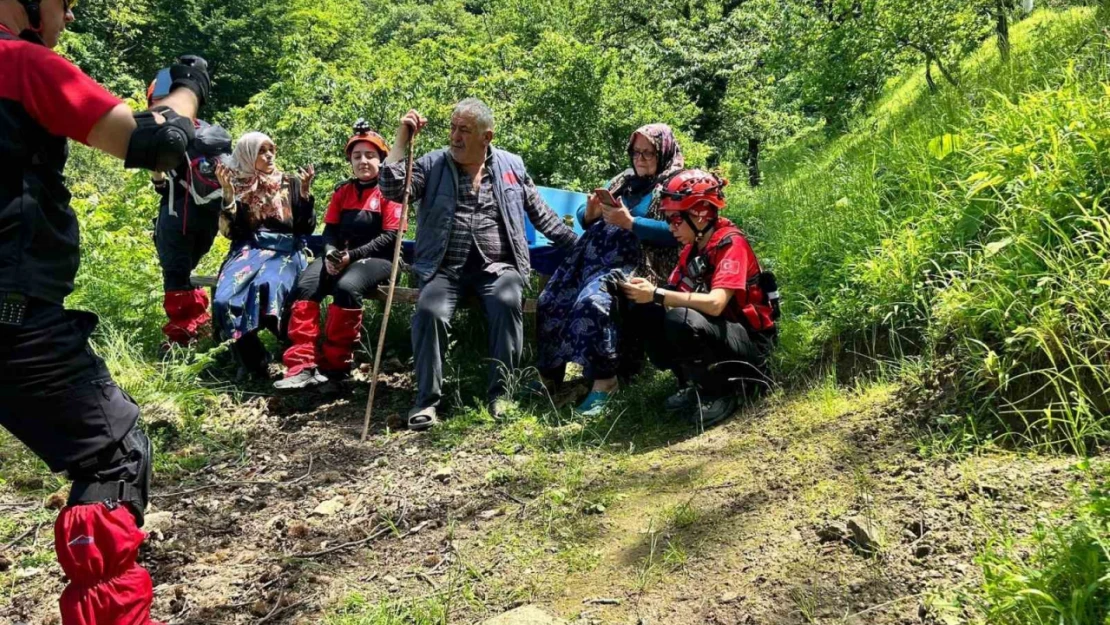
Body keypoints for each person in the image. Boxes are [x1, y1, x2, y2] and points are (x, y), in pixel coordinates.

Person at [0, 0, 210, 621]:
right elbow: (157, 140)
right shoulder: (21, 64)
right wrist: (187, 88)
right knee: (113, 455)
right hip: (12, 316)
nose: (67, 16)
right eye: (64, 4)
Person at [380, 99, 578, 430]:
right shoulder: (432, 164)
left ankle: (501, 395)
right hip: (444, 267)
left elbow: (543, 216)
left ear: (486, 136)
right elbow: (391, 189)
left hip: (499, 267)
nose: (455, 137)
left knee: (505, 301)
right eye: (452, 128)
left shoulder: (511, 166)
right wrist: (402, 139)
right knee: (429, 312)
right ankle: (426, 402)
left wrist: (582, 249)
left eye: (464, 130)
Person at [535, 124, 685, 415]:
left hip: (634, 263)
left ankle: (605, 383)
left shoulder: (675, 185)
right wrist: (589, 212)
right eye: (636, 152)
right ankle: (557, 378)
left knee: (592, 303)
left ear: (663, 152)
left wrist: (631, 223)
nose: (640, 159)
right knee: (551, 300)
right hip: (589, 259)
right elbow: (584, 216)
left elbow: (675, 231)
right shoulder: (624, 180)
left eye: (648, 153)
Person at [620, 169, 779, 427]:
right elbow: (672, 294)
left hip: (751, 343)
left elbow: (716, 304)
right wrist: (647, 292)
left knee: (680, 317)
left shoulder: (731, 244)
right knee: (646, 310)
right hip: (721, 334)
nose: (671, 228)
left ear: (699, 215)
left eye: (675, 220)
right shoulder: (692, 250)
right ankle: (692, 383)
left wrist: (657, 294)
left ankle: (725, 391)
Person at [275, 122, 402, 390]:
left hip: (381, 258)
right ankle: (302, 364)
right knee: (306, 285)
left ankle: (336, 366)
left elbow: (391, 236)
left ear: (381, 159)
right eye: (357, 157)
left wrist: (350, 256)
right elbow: (330, 229)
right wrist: (332, 253)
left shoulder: (390, 191)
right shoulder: (343, 191)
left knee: (347, 287)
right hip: (343, 254)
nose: (363, 161)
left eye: (370, 156)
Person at [212, 132, 316, 379]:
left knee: (268, 287)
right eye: (261, 151)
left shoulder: (289, 182)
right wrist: (227, 194)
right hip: (249, 251)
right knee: (223, 301)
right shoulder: (237, 185)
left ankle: (295, 352)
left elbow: (305, 228)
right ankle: (254, 359)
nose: (269, 155)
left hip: (285, 252)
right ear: (247, 155)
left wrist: (304, 195)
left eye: (271, 149)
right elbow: (229, 231)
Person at [148, 81, 232, 347]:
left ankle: (182, 337)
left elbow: (159, 179)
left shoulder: (164, 130)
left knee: (175, 276)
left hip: (177, 217)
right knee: (186, 274)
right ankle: (199, 326)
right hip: (208, 219)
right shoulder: (206, 131)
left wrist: (158, 182)